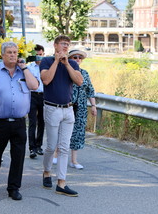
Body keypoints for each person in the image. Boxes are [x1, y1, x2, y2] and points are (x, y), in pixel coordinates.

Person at [0, 42, 39, 200]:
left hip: (19, 122)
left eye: (15, 52)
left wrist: (25, 68)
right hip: (0, 121)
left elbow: (34, 86)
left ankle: (14, 188)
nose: (13, 55)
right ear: (2, 55)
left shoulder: (25, 72)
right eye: (10, 52)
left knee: (18, 155)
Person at [40, 35, 83, 197]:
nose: (65, 47)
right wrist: (57, 61)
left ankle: (61, 183)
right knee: (52, 146)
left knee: (64, 147)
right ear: (55, 45)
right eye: (63, 44)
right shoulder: (47, 62)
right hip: (52, 108)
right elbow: (46, 80)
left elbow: (79, 81)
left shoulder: (71, 63)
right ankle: (46, 172)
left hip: (68, 109)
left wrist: (66, 63)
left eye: (68, 44)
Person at [68, 50, 97, 169]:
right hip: (68, 105)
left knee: (78, 133)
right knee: (62, 131)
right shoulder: (65, 71)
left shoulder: (85, 73)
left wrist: (94, 106)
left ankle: (74, 160)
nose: (78, 59)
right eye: (75, 57)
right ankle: (56, 154)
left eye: (80, 57)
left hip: (81, 107)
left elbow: (90, 90)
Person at [27, 44, 45, 159]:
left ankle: (39, 145)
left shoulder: (46, 66)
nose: (38, 57)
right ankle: (31, 148)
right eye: (36, 55)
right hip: (32, 95)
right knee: (32, 122)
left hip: (44, 95)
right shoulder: (30, 67)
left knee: (42, 122)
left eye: (40, 55)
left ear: (43, 54)